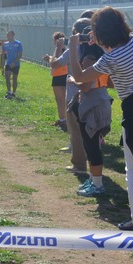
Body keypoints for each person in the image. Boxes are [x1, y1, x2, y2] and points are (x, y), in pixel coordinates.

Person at [69, 6, 133, 231]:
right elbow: (116, 47)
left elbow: (79, 76)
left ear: (100, 32)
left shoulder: (111, 60)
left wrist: (72, 48)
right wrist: (99, 41)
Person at [47, 18, 91, 176]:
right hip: (93, 94)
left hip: (74, 93)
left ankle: (79, 164)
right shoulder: (97, 49)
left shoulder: (73, 49)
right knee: (90, 131)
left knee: (76, 131)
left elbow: (55, 64)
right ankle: (95, 168)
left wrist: (59, 47)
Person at [72, 39, 112, 197]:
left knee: (91, 145)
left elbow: (86, 86)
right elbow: (110, 82)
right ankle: (93, 179)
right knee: (93, 144)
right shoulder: (103, 57)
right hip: (101, 100)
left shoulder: (89, 59)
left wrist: (73, 80)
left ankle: (97, 184)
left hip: (93, 104)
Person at [44, 32, 68, 132]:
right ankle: (62, 119)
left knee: (64, 99)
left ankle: (66, 120)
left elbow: (55, 61)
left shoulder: (62, 50)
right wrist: (49, 58)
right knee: (60, 99)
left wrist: (57, 48)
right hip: (58, 75)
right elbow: (54, 60)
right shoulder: (61, 50)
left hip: (62, 75)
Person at [2, 30, 23, 99]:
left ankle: (14, 92)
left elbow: (20, 55)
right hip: (8, 63)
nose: (8, 37)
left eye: (9, 35)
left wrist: (14, 62)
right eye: (7, 35)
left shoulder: (18, 43)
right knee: (7, 77)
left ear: (13, 35)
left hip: (16, 64)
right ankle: (9, 92)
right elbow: (3, 54)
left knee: (14, 79)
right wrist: (2, 64)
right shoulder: (5, 44)